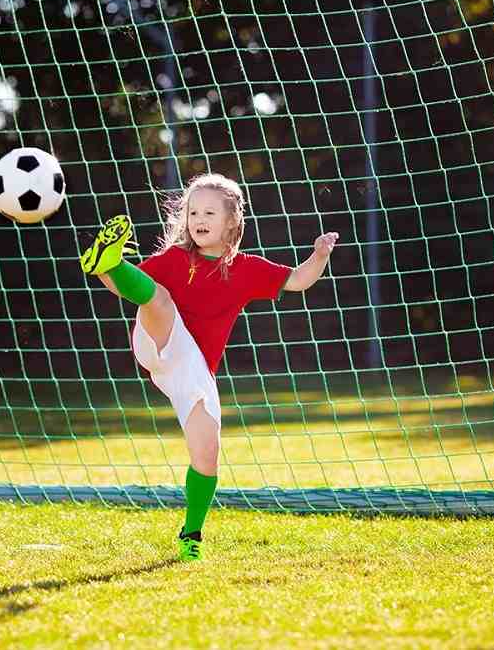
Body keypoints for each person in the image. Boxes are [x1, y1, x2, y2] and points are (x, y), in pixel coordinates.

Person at [79, 173, 338, 562]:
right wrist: (107, 268)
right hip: (156, 340)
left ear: (232, 220)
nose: (198, 218)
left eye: (209, 212)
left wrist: (319, 255)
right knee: (160, 300)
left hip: (193, 367)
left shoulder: (247, 269)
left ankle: (191, 535)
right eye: (193, 211)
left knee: (207, 452)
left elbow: (298, 280)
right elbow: (126, 288)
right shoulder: (174, 260)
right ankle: (108, 257)